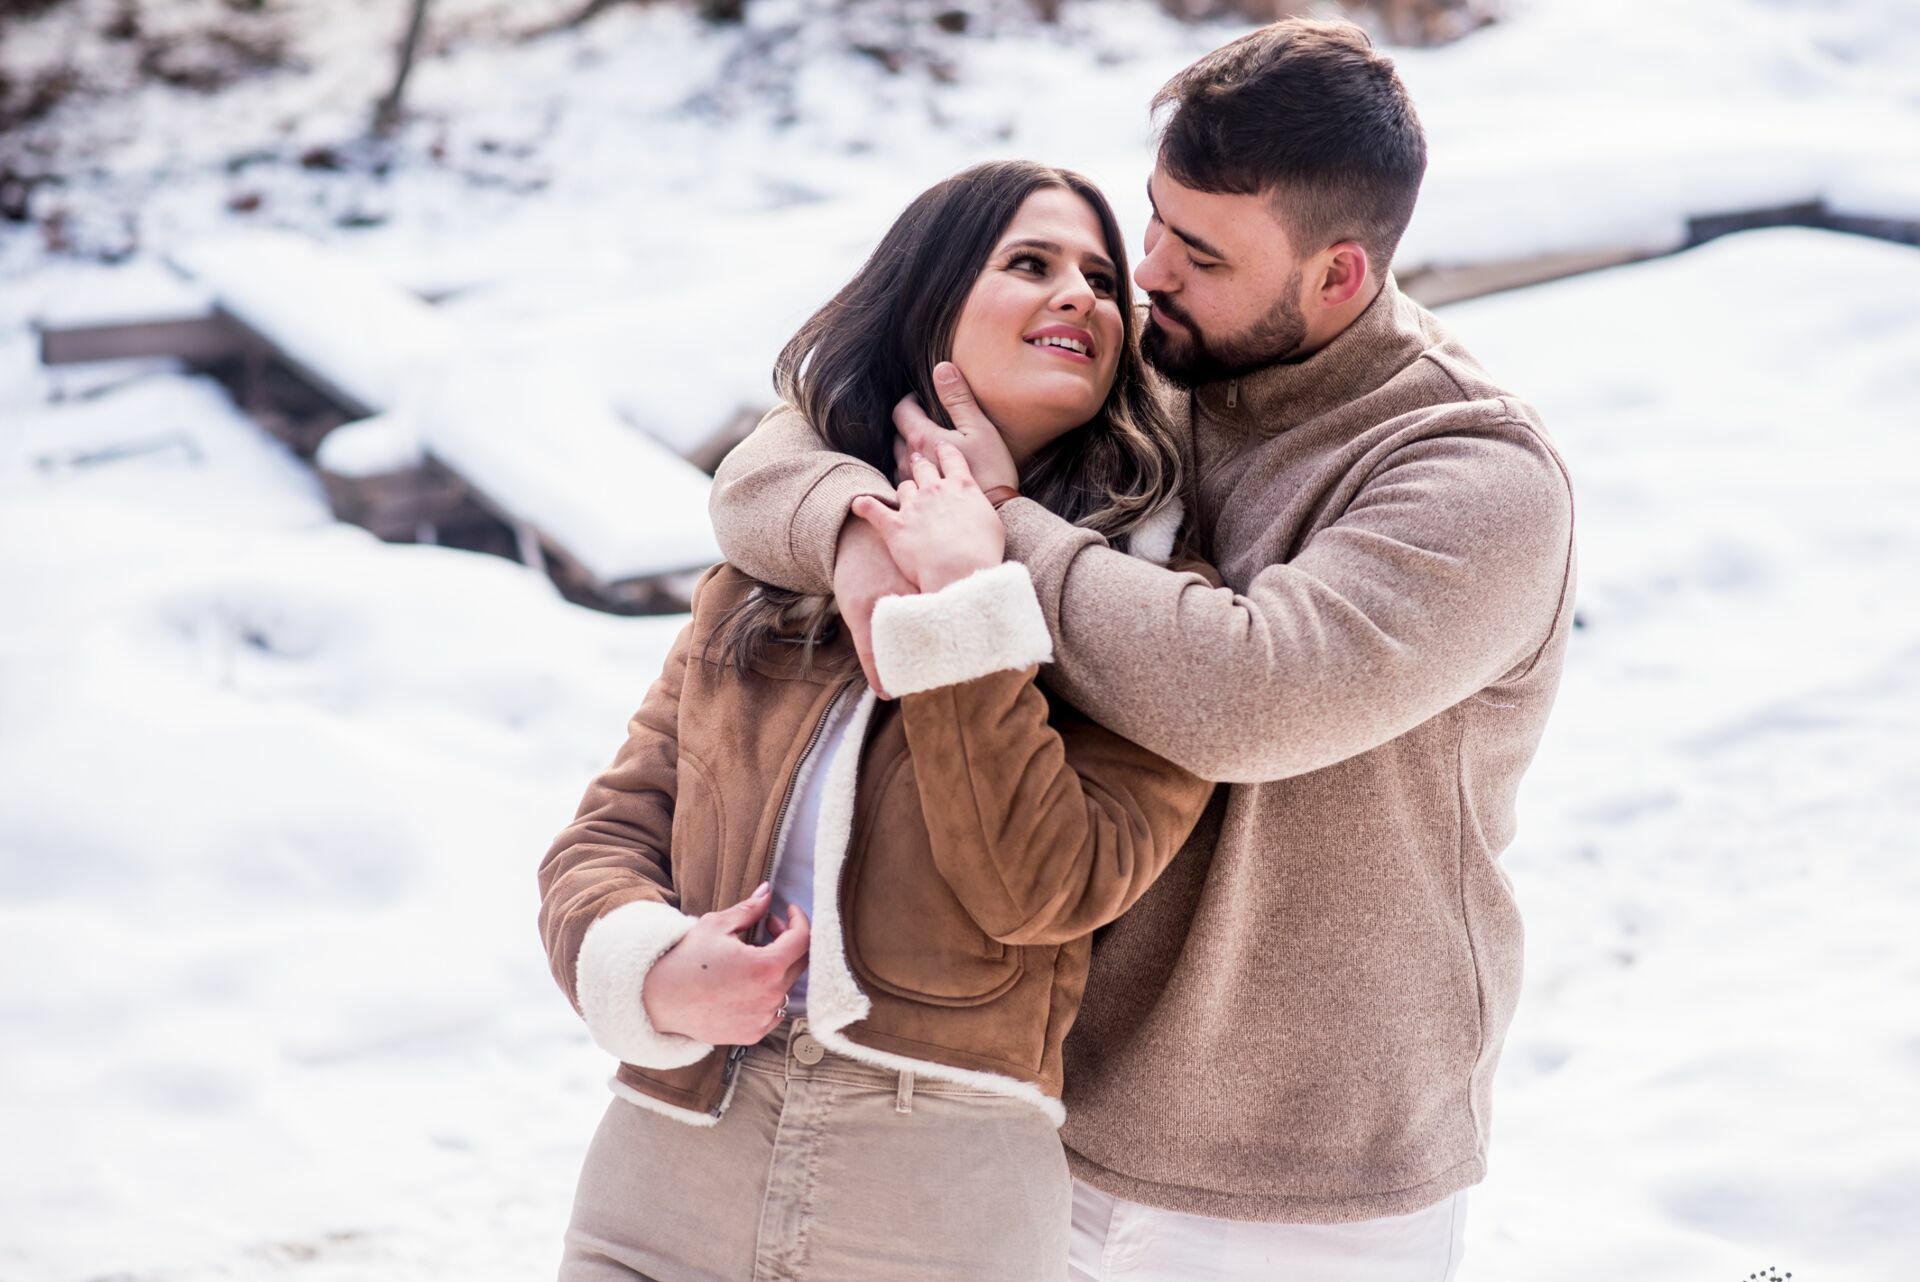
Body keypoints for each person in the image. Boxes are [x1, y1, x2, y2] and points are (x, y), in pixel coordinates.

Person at [709, 19, 1577, 1282]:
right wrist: (853, 524)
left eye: (1203, 253)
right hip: (1044, 1109)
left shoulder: (1472, 474)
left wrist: (992, 528)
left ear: (1338, 278)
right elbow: (780, 448)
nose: (1150, 272)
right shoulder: (1153, 371)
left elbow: (1247, 693)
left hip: (1304, 1177)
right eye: (1156, 221)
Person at [538, 159, 1218, 1282]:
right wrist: (651, 972)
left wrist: (964, 598)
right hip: (667, 1162)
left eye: (1103, 279)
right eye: (1031, 263)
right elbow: (609, 835)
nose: (1083, 297)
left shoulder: (1148, 599)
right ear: (930, 299)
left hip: (939, 1196)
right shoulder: (774, 568)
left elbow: (1042, 886)